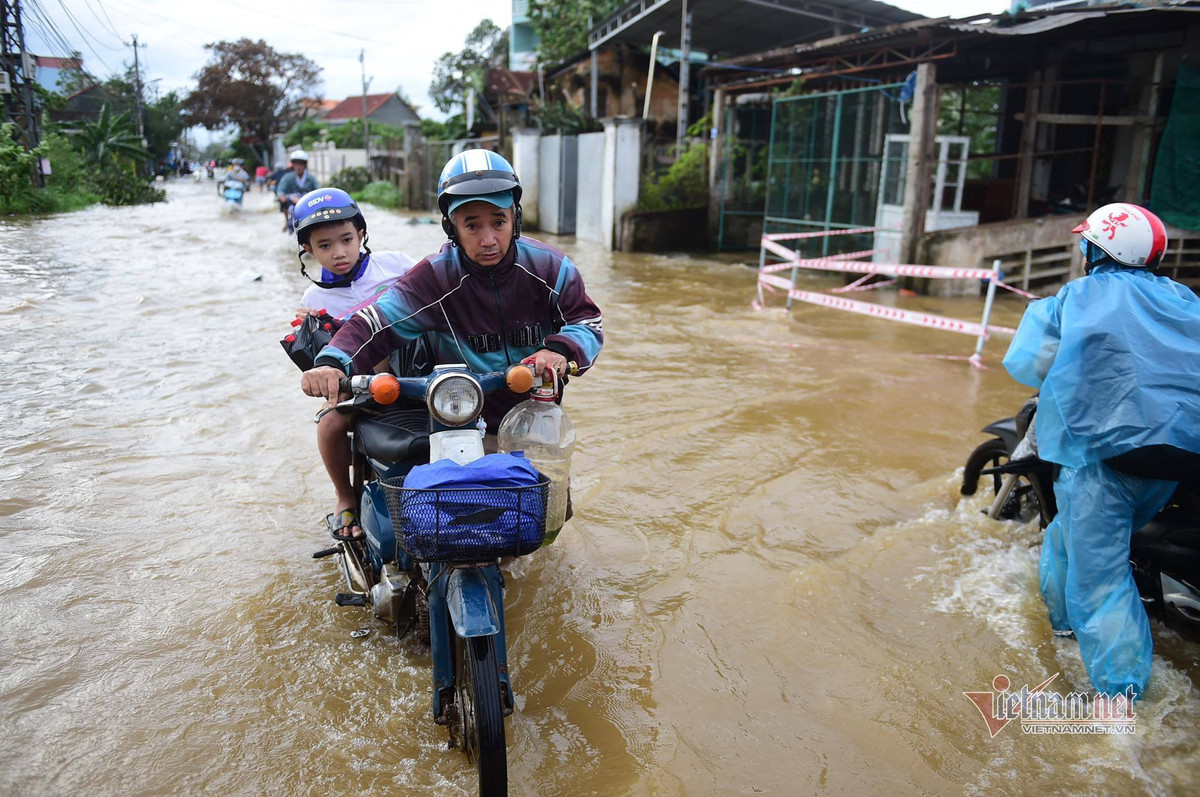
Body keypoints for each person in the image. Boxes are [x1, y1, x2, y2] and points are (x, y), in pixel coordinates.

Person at [298, 149, 604, 535]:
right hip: (458, 422)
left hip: (533, 425)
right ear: (451, 227)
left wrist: (559, 351)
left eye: (499, 222)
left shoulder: (551, 268)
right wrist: (332, 361)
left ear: (516, 218)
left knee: (547, 522)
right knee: (438, 526)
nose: (489, 239)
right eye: (472, 225)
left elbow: (587, 321)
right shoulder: (434, 278)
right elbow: (376, 322)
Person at [1003, 202, 1200, 699]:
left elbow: (1029, 361)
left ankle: (1120, 702)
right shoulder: (1184, 299)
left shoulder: (1079, 296)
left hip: (1108, 461)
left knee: (1101, 579)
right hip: (1179, 458)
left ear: (1097, 249)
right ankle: (1066, 628)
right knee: (1065, 539)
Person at [291, 187, 418, 540]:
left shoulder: (398, 265)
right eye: (325, 245)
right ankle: (345, 496)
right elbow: (316, 363)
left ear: (362, 233)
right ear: (308, 250)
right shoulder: (313, 300)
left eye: (347, 239)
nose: (340, 252)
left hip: (419, 377)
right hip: (364, 390)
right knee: (329, 424)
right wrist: (314, 330)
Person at [275, 149, 319, 232]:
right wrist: (282, 195)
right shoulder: (287, 177)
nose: (298, 166)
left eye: (301, 164)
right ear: (293, 165)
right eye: (296, 164)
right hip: (292, 202)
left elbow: (318, 191)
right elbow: (281, 190)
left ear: (305, 165)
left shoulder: (311, 178)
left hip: (308, 202)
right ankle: (287, 222)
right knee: (284, 205)